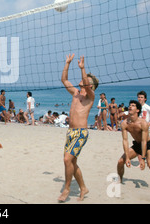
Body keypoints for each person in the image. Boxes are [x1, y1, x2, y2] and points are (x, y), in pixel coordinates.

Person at [59, 54, 98, 202]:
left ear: (91, 85)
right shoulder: (75, 93)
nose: (82, 80)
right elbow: (64, 80)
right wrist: (67, 63)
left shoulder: (91, 96)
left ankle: (67, 189)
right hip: (70, 132)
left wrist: (83, 68)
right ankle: (83, 187)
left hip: (81, 133)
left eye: (86, 80)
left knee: (67, 160)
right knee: (72, 162)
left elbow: (87, 86)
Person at [117, 100, 150, 192]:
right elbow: (125, 140)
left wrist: (142, 158)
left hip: (148, 144)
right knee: (120, 161)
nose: (130, 107)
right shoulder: (124, 123)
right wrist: (127, 157)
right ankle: (120, 179)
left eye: (133, 106)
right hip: (137, 145)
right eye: (130, 105)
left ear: (138, 110)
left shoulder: (143, 123)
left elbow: (144, 141)